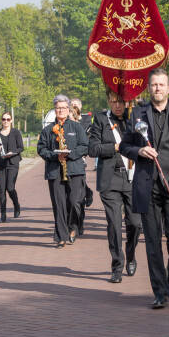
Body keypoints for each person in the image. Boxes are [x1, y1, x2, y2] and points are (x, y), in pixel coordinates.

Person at [119, 68, 169, 309]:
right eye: (154, 84)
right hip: (148, 186)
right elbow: (124, 146)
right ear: (149, 88)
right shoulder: (137, 114)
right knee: (153, 241)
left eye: (161, 84)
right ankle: (158, 290)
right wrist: (139, 151)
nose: (157, 88)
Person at [88, 91, 142, 283]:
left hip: (133, 178)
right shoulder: (101, 120)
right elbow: (93, 149)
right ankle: (117, 265)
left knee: (135, 223)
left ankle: (132, 254)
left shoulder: (135, 118)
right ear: (109, 102)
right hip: (110, 179)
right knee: (114, 224)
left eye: (121, 102)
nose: (117, 105)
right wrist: (115, 148)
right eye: (113, 102)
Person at [38, 95, 89, 247]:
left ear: (68, 110)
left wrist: (70, 154)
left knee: (74, 202)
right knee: (59, 205)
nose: (60, 110)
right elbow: (41, 149)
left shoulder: (76, 127)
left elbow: (85, 146)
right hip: (55, 171)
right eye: (58, 108)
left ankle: (73, 226)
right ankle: (61, 236)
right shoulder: (47, 130)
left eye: (63, 108)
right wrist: (55, 155)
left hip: (74, 170)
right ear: (55, 110)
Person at [70, 97, 94, 234]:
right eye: (72, 105)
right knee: (77, 192)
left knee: (79, 193)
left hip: (81, 160)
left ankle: (80, 221)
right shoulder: (66, 121)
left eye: (76, 105)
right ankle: (88, 192)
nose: (74, 107)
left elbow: (88, 140)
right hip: (69, 162)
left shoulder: (85, 121)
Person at [0, 111, 23, 223]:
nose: (6, 121)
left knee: (10, 188)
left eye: (8, 119)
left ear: (11, 120)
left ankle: (16, 205)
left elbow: (21, 147)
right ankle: (3, 213)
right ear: (1, 120)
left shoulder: (16, 132)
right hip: (0, 164)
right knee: (1, 190)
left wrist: (12, 152)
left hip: (13, 163)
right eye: (4, 119)